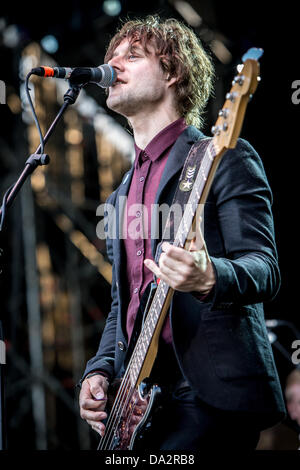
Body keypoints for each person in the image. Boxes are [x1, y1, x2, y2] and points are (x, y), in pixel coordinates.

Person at [79, 15, 286, 450]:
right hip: (139, 404)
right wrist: (97, 371)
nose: (113, 64)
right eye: (110, 57)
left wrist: (209, 277)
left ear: (172, 73)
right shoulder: (120, 197)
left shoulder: (224, 157)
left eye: (131, 55)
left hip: (207, 395)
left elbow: (264, 268)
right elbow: (125, 302)